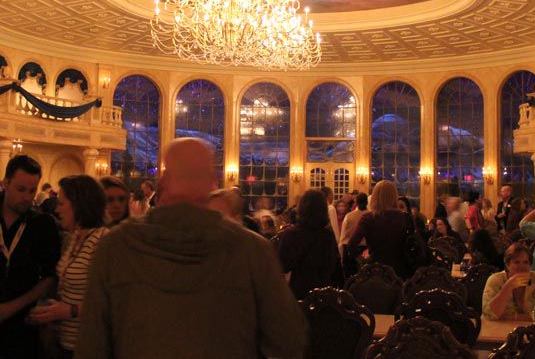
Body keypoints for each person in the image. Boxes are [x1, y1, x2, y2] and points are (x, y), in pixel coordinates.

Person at [74, 138, 306, 359]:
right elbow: (289, 340)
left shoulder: (115, 247)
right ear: (212, 183)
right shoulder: (252, 250)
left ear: (162, 182)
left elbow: (90, 345)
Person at [30, 174, 109, 357]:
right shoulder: (74, 237)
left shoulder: (103, 241)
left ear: (79, 205)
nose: (57, 209)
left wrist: (69, 310)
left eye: (62, 203)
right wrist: (53, 309)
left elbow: (112, 299)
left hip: (88, 346)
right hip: (65, 344)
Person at [0, 155, 61, 359]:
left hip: (23, 328)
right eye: (21, 189)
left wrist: (10, 308)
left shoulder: (43, 225)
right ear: (5, 183)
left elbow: (51, 277)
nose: (27, 197)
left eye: (32, 190)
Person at [277, 190, 341, 300]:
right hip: (325, 296)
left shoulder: (292, 234)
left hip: (300, 294)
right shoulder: (328, 235)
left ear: (301, 209)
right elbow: (336, 269)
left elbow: (283, 266)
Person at [348, 180, 415, 278]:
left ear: (374, 197)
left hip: (375, 269)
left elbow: (351, 245)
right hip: (400, 268)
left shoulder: (368, 218)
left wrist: (363, 261)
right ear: (394, 197)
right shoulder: (406, 217)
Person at [482, 242, 535, 321]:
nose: (521, 266)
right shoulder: (496, 280)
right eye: (516, 262)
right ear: (507, 264)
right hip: (500, 329)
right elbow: (489, 314)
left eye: (526, 262)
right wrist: (508, 286)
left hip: (533, 331)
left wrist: (512, 317)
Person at [339, 192, 368, 265]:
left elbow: (343, 236)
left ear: (356, 202)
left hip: (349, 249)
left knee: (350, 275)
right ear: (367, 202)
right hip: (366, 250)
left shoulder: (349, 216)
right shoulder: (371, 216)